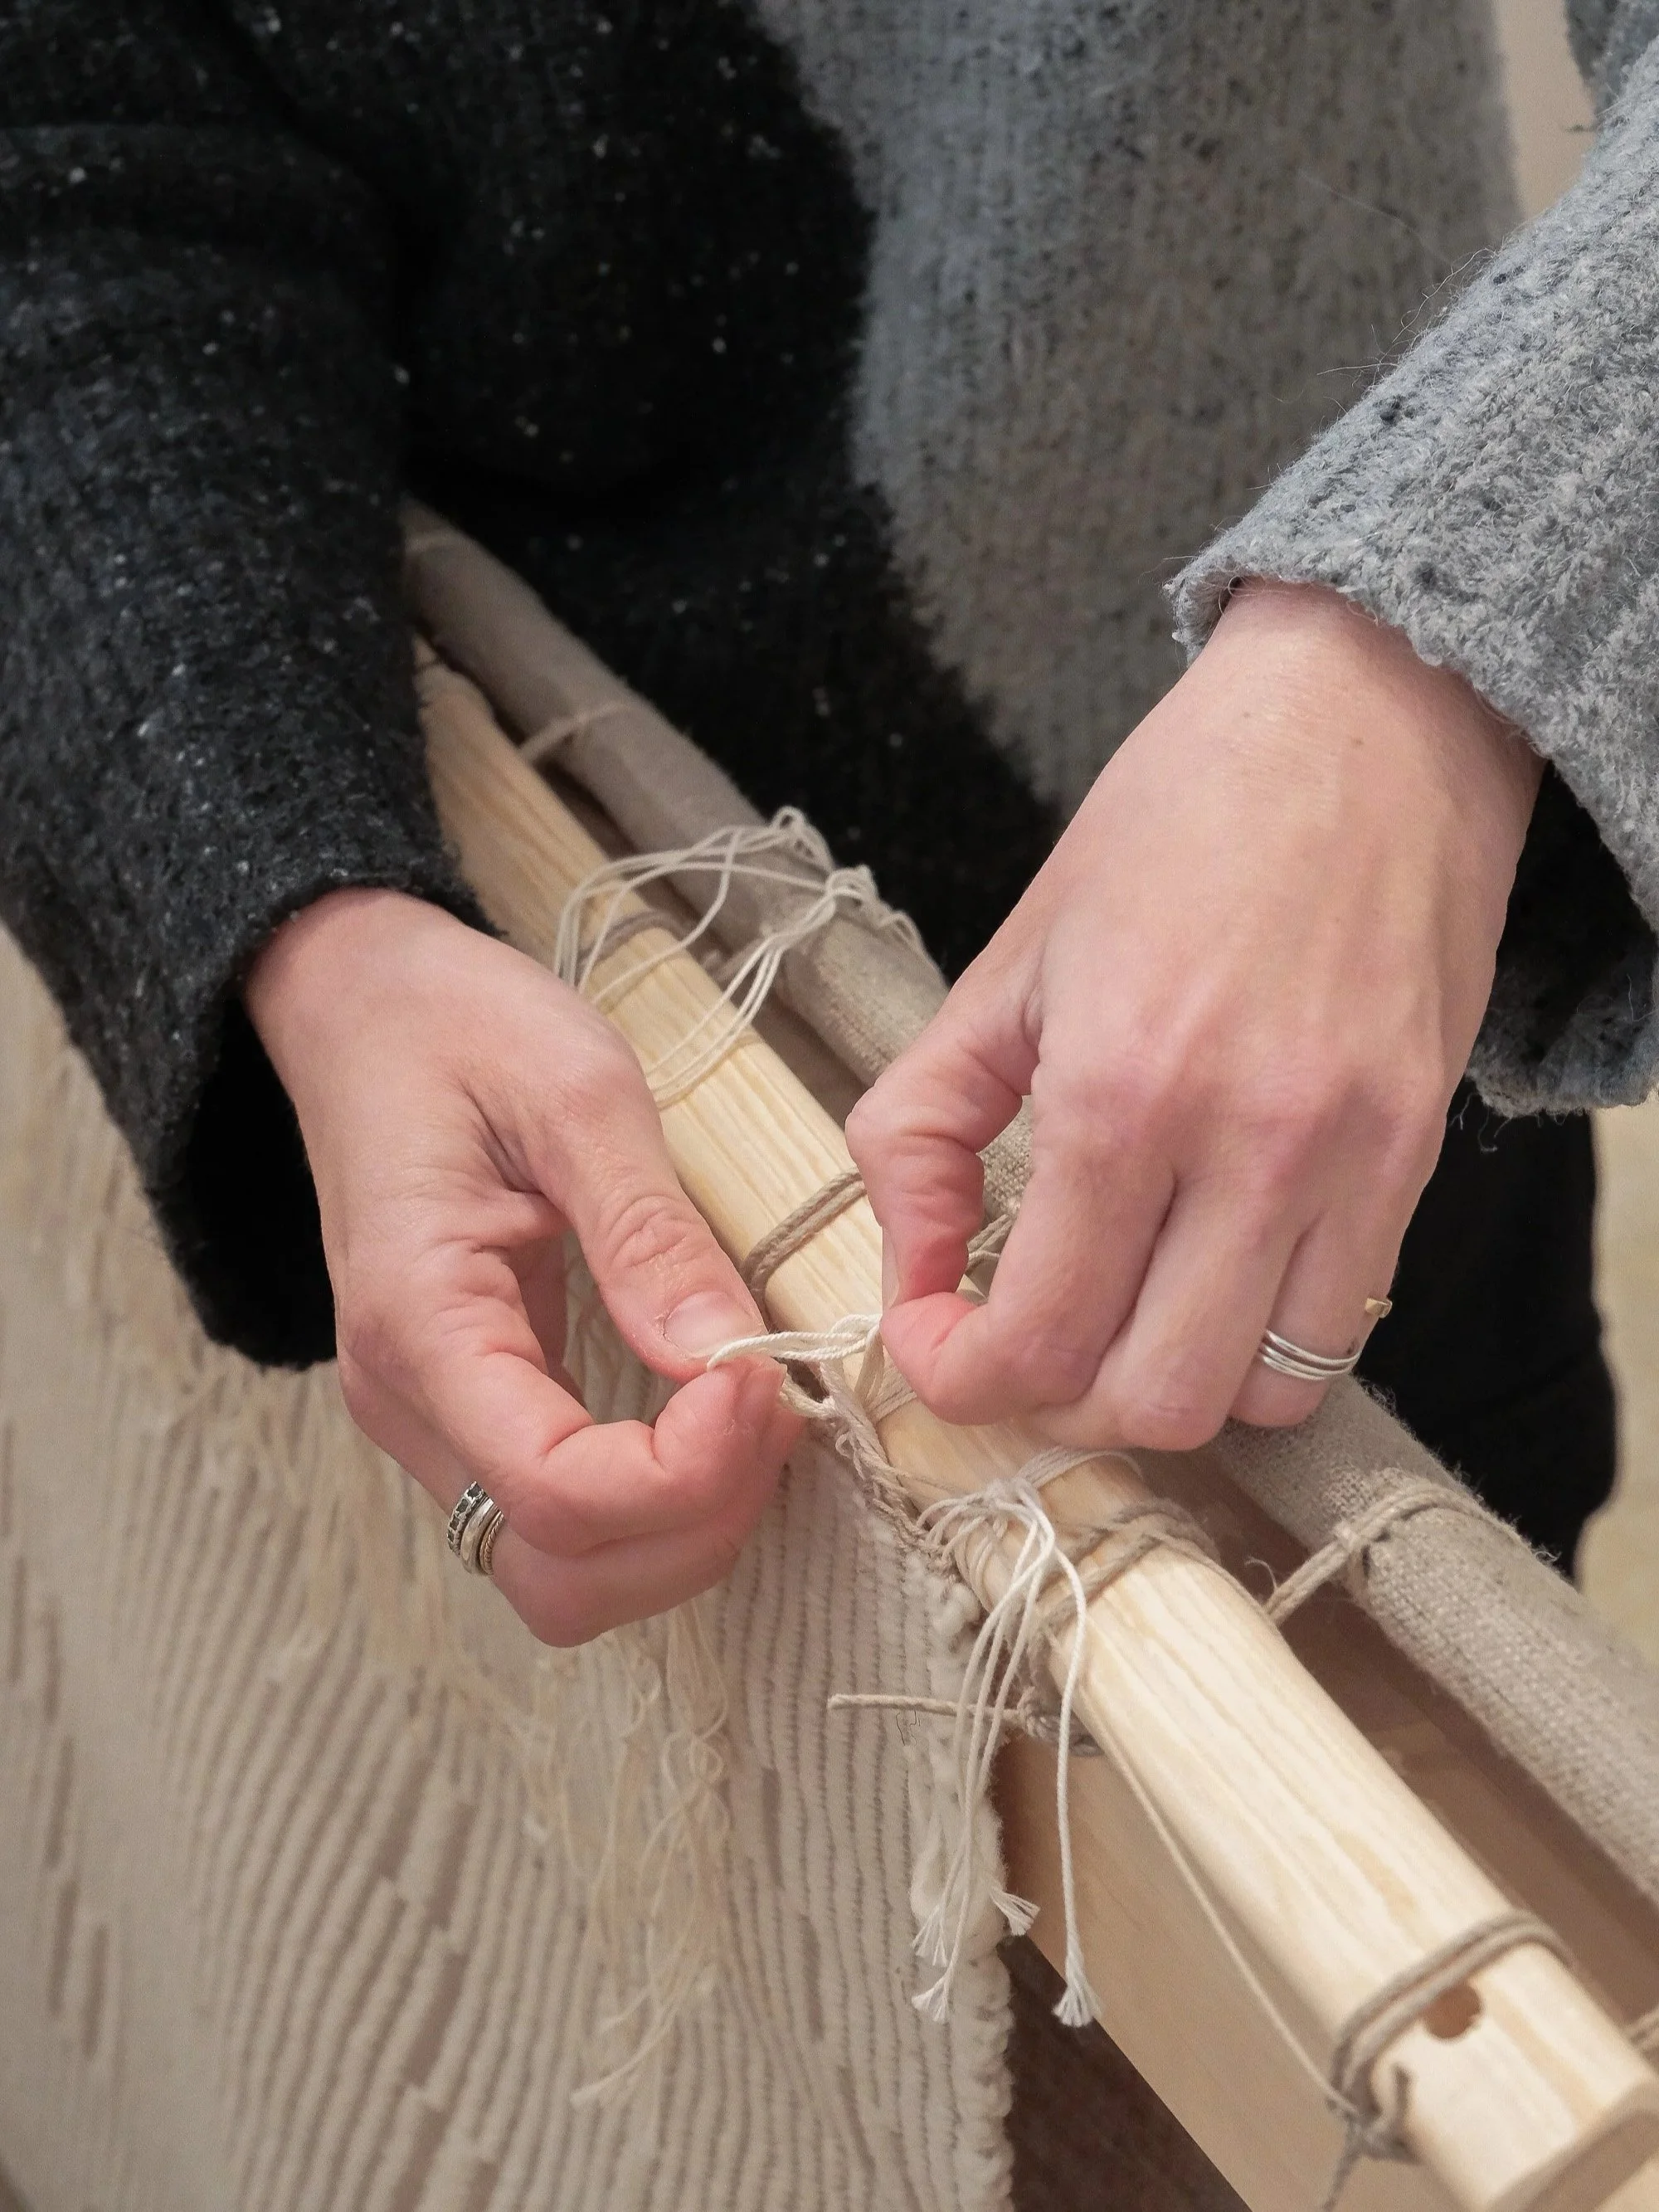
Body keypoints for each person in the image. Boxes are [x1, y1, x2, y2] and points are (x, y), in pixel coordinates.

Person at [0, 2, 1642, 1650]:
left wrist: (1425, 644)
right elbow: (60, 157)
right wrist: (306, 907)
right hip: (492, 955)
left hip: (1351, 936)